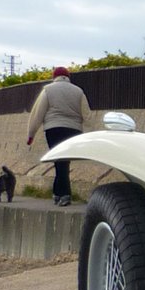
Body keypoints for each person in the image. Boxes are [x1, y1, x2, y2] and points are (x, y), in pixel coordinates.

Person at [25, 66, 92, 206]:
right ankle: (58, 193)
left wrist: (31, 134)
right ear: (68, 77)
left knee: (59, 161)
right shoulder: (78, 91)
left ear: (54, 76)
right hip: (74, 130)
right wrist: (92, 135)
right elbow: (87, 114)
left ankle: (64, 194)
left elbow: (38, 114)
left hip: (53, 129)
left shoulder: (48, 90)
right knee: (64, 162)